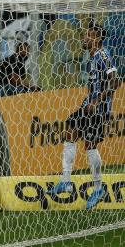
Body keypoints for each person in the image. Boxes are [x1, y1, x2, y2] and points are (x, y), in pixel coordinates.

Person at [47, 24, 120, 210]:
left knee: (89, 145)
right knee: (70, 131)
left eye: (88, 35)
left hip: (98, 110)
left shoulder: (103, 55)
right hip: (88, 107)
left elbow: (115, 81)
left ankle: (97, 188)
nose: (84, 38)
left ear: (96, 38)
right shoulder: (92, 57)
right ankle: (66, 181)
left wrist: (97, 101)